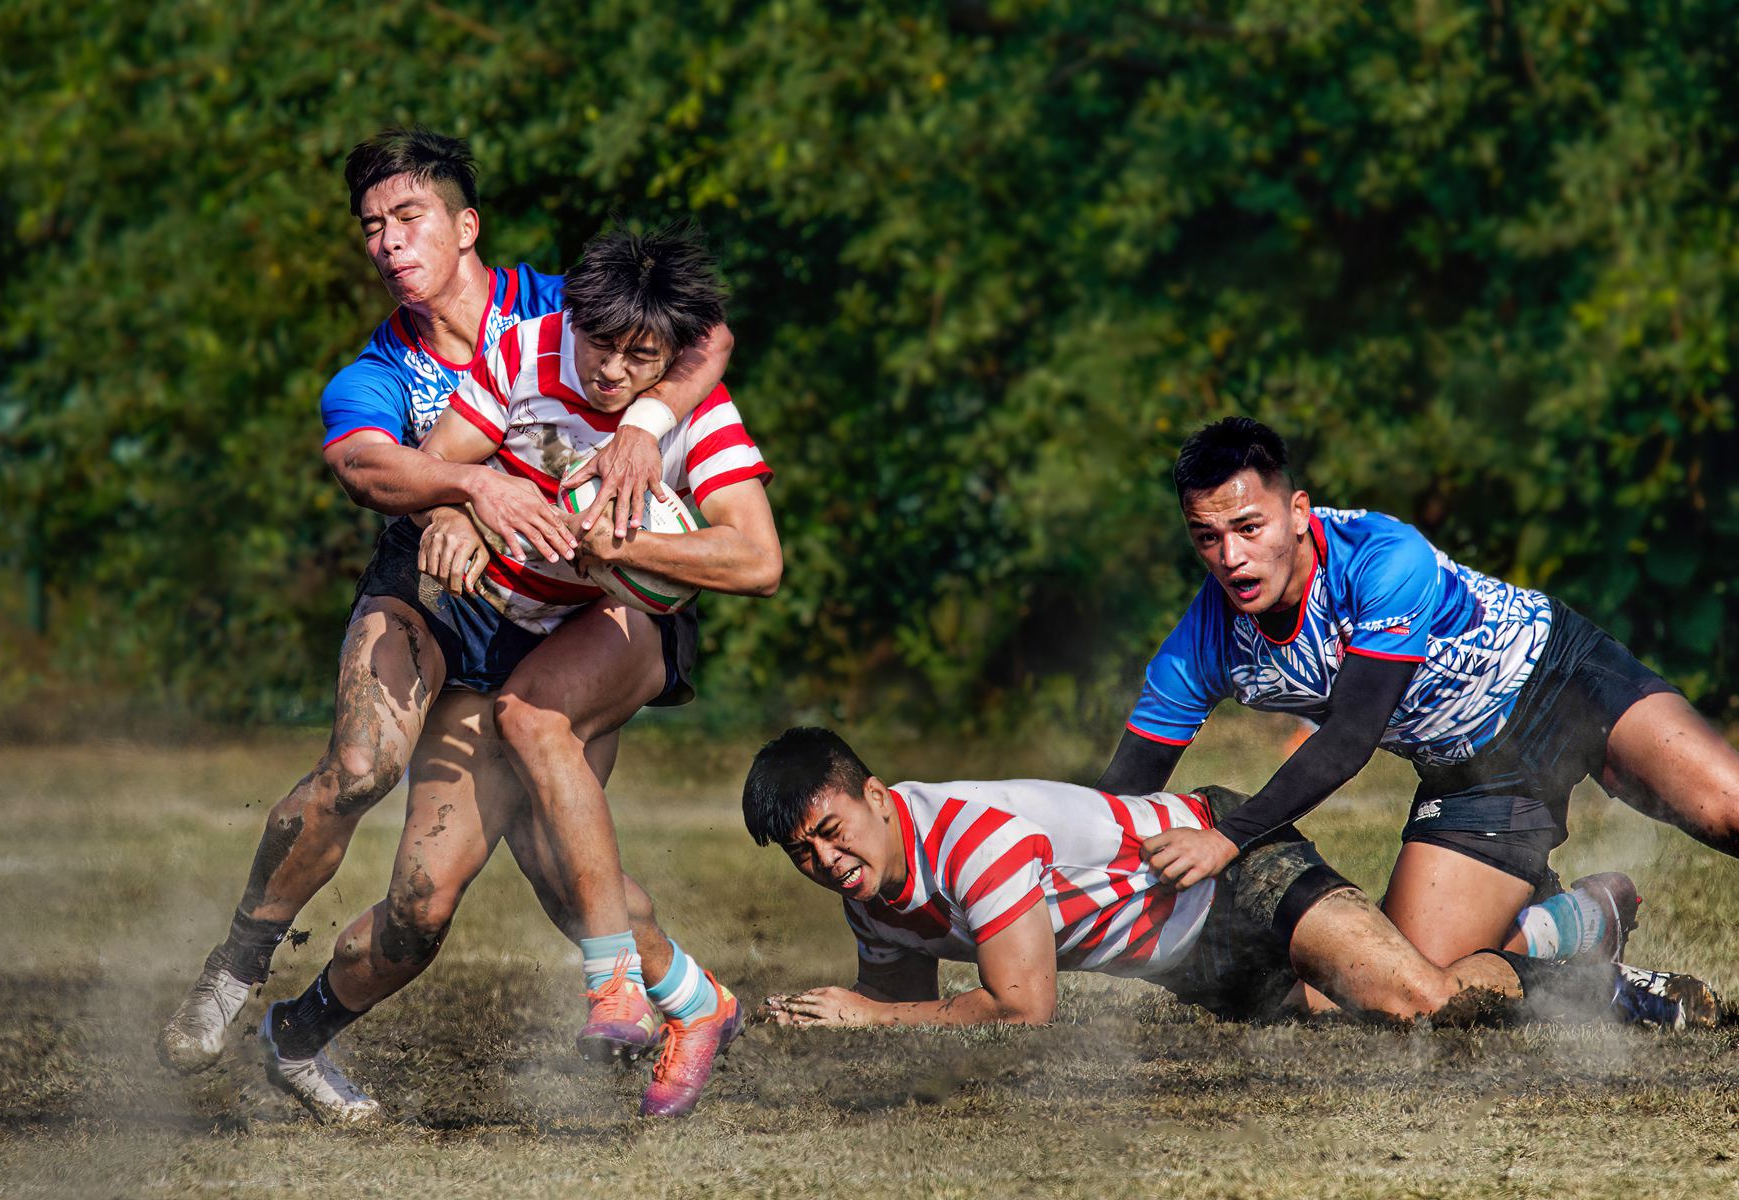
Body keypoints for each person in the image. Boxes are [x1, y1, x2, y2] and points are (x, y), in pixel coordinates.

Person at [158, 127, 732, 1075]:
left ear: (468, 226)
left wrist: (643, 426)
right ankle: (237, 964)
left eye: (408, 216)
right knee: (359, 764)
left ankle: (297, 1040)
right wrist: (468, 490)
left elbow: (706, 338)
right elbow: (362, 465)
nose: (387, 241)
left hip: (554, 620)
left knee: (479, 890)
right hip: (429, 593)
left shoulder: (561, 309)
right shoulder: (375, 372)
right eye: (371, 226)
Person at [259, 224, 779, 1122]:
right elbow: (449, 464)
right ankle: (699, 1005)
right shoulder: (525, 347)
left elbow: (759, 562)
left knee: (537, 727)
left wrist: (632, 542)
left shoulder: (699, 412)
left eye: (640, 356)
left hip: (605, 625)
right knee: (442, 894)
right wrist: (461, 512)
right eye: (599, 345)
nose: (613, 372)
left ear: (673, 354)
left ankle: (615, 989)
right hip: (489, 629)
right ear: (569, 319)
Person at [1098, 416, 1739, 976]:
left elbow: (1350, 738)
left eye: (1247, 526)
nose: (1231, 557)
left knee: (1726, 809)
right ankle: (1581, 920)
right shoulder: (1199, 643)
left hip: (1562, 681)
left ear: (1296, 512)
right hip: (1472, 776)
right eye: (1207, 537)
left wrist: (1227, 837)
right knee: (1405, 980)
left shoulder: (1380, 555)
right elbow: (1119, 795)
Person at [742, 727, 1719, 1033]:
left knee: (1421, 1003)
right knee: (1372, 1018)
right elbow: (913, 1020)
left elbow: (1019, 1010)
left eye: (830, 832)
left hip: (1232, 866)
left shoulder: (969, 842)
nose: (827, 863)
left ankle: (1588, 957)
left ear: (874, 794)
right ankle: (1553, 934)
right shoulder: (873, 889)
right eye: (805, 856)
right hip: (1191, 962)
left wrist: (865, 1021)